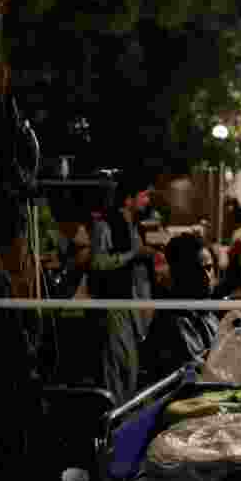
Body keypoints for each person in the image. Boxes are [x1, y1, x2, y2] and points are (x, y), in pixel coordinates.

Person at [89, 172, 157, 404]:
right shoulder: (105, 224)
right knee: (118, 368)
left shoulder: (134, 226)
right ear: (128, 199)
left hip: (133, 308)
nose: (148, 201)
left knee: (131, 368)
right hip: (115, 304)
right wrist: (133, 255)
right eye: (144, 195)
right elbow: (98, 262)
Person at [139, 233, 220, 382]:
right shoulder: (172, 323)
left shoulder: (208, 314)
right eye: (197, 270)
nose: (207, 277)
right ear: (179, 273)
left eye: (209, 268)